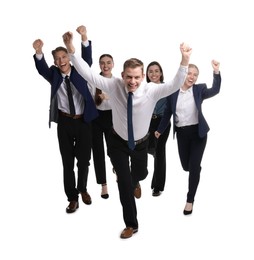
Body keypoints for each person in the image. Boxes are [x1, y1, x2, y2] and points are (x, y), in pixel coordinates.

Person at [62, 29, 192, 238]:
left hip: (140, 143)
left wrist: (184, 60)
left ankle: (135, 181)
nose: (132, 81)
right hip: (118, 143)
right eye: (129, 77)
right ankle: (131, 224)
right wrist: (71, 51)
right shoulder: (114, 86)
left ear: (142, 76)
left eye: (137, 77)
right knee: (124, 183)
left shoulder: (151, 90)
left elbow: (174, 84)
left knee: (140, 173)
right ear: (122, 76)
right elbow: (88, 74)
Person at [32, 25, 98, 214]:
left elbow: (87, 58)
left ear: (69, 57)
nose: (61, 61)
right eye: (57, 59)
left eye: (64, 57)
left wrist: (84, 37)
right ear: (54, 62)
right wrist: (38, 52)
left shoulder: (79, 70)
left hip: (84, 120)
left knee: (84, 160)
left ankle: (83, 189)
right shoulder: (53, 74)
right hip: (65, 122)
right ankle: (72, 197)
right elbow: (41, 68)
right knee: (67, 162)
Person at [156, 61, 221, 215]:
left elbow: (216, 90)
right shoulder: (172, 92)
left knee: (193, 168)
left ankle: (190, 200)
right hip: (182, 135)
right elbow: (167, 114)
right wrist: (159, 130)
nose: (192, 77)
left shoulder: (199, 90)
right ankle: (195, 168)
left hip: (198, 134)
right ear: (184, 74)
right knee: (186, 166)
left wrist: (216, 72)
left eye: (195, 75)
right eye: (189, 73)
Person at [90, 54, 114, 199]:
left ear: (113, 64)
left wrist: (109, 97)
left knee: (113, 148)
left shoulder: (117, 81)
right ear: (99, 65)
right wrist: (98, 98)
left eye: (108, 63)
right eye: (102, 63)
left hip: (112, 117)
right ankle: (103, 185)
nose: (105, 66)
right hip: (96, 118)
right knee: (98, 151)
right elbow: (90, 101)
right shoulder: (94, 81)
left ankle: (117, 170)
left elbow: (121, 102)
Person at [146, 61, 171, 197]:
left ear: (161, 73)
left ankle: (157, 186)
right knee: (144, 149)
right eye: (150, 71)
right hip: (147, 122)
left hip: (163, 122)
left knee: (160, 152)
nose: (154, 74)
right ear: (147, 74)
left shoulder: (167, 88)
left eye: (156, 71)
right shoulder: (143, 87)